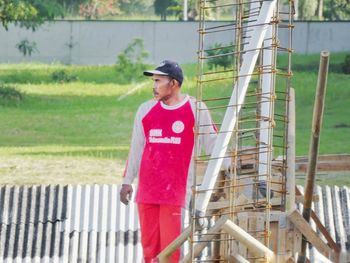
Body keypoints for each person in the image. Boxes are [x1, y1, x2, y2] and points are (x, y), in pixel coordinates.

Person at [120, 60, 223, 263]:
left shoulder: (196, 108)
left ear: (174, 83)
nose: (154, 85)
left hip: (175, 193)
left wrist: (232, 165)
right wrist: (126, 181)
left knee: (170, 252)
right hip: (147, 191)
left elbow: (214, 145)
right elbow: (136, 148)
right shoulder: (145, 109)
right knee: (149, 251)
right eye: (153, 81)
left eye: (158, 80)